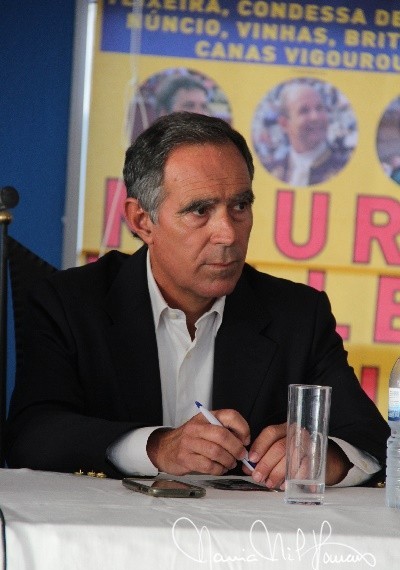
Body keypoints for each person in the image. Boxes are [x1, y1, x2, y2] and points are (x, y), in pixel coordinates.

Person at [6, 112, 389, 488]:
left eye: (240, 206)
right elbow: (32, 435)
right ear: (142, 221)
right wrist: (155, 448)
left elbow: (373, 442)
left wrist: (322, 457)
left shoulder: (299, 315)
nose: (227, 234)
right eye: (200, 210)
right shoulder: (68, 304)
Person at [269, 81, 352, 186]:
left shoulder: (346, 169)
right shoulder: (271, 170)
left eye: (319, 108)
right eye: (304, 111)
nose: (315, 117)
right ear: (284, 124)